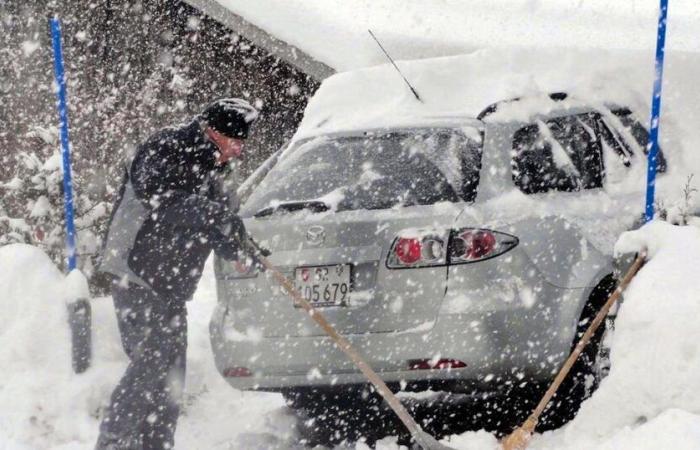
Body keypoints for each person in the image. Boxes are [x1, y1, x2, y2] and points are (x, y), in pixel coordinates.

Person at [96, 98, 262, 450]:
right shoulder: (167, 145)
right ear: (215, 133)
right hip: (136, 271)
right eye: (237, 143)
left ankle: (156, 445)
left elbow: (215, 224)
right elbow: (160, 199)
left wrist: (240, 249)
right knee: (151, 361)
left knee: (170, 375)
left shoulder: (215, 172)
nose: (239, 152)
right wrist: (216, 215)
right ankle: (113, 441)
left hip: (171, 285)